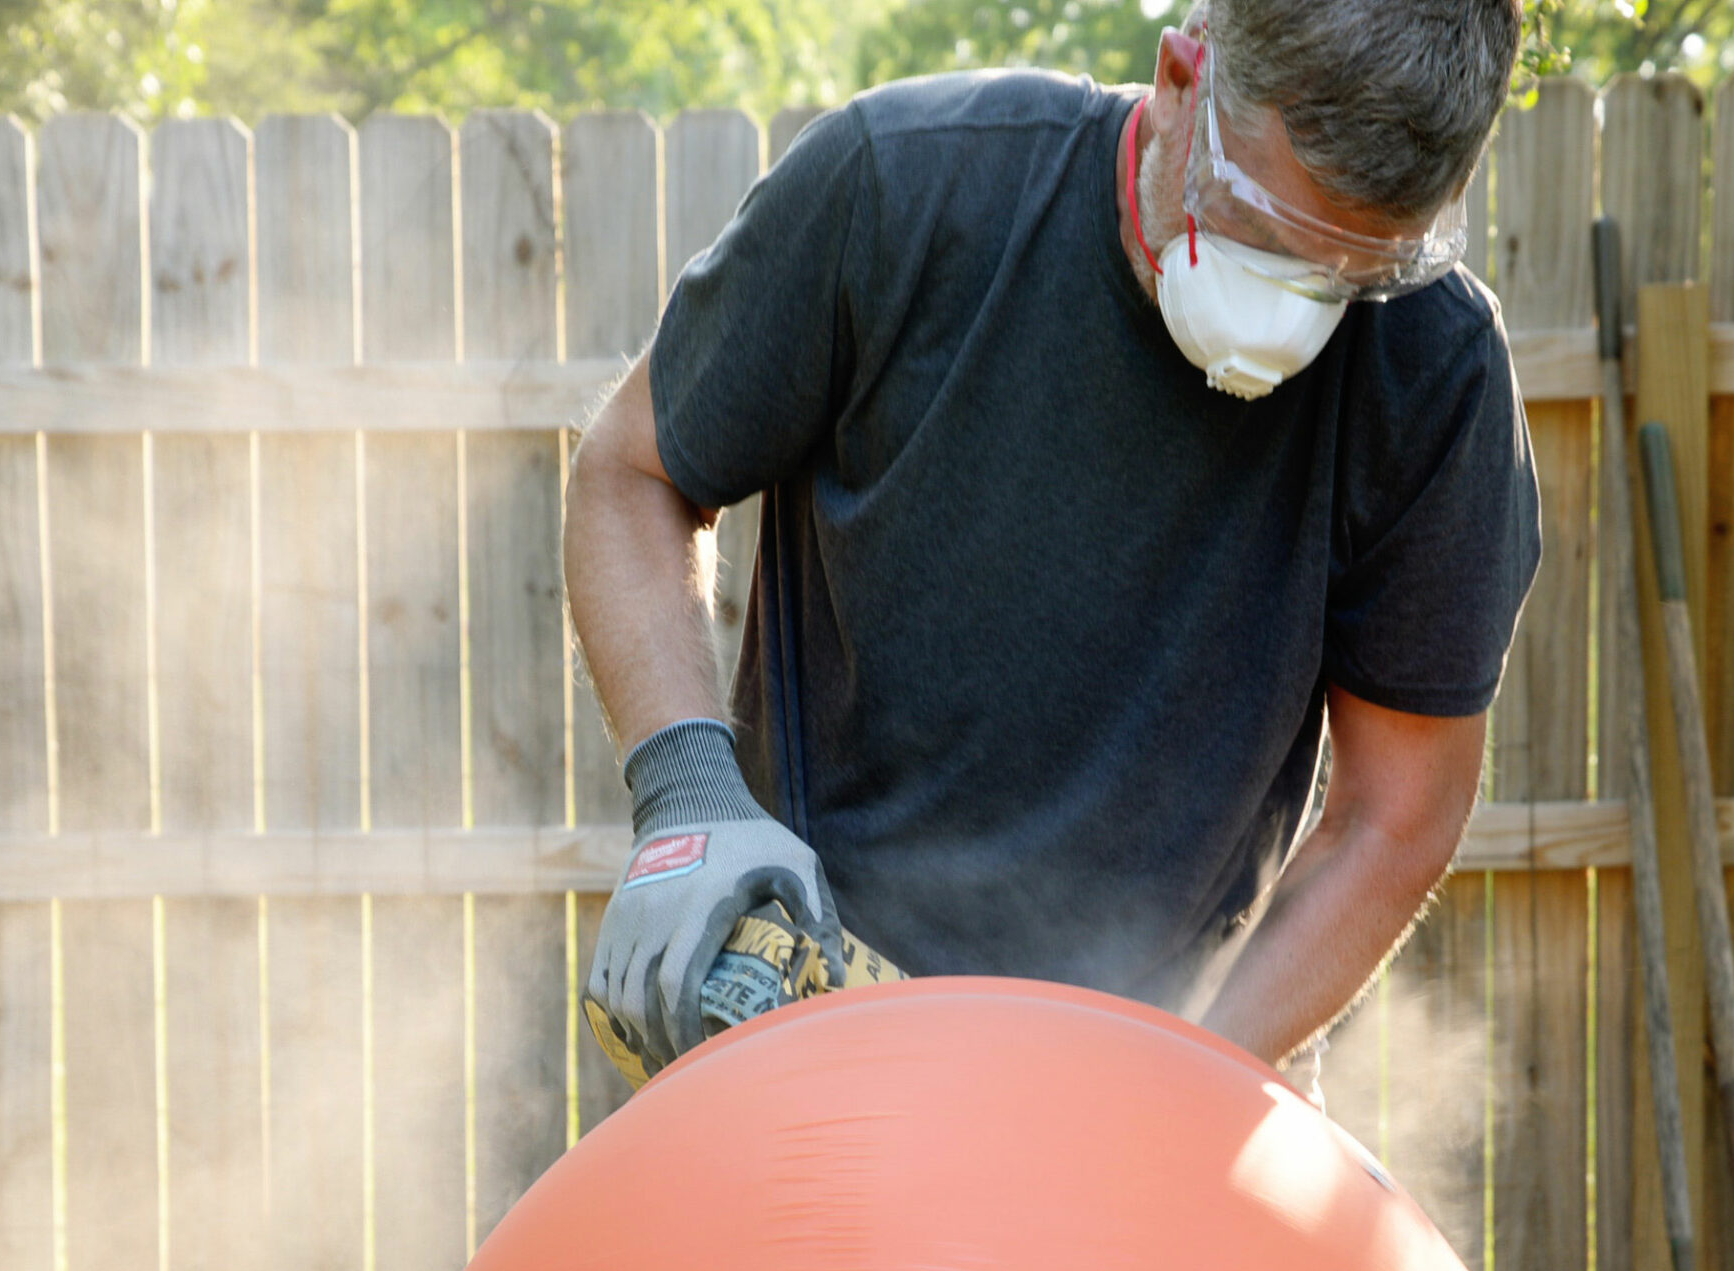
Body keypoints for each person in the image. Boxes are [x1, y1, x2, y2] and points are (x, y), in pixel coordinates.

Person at [565, 0, 1541, 1097]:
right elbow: (632, 472)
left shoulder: (1435, 368)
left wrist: (1197, 1077)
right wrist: (689, 798)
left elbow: (1394, 814)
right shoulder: (904, 191)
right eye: (1263, 238)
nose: (1289, 317)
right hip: (813, 1028)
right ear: (1183, 79)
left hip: (1172, 1051)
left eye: (1347, 276)